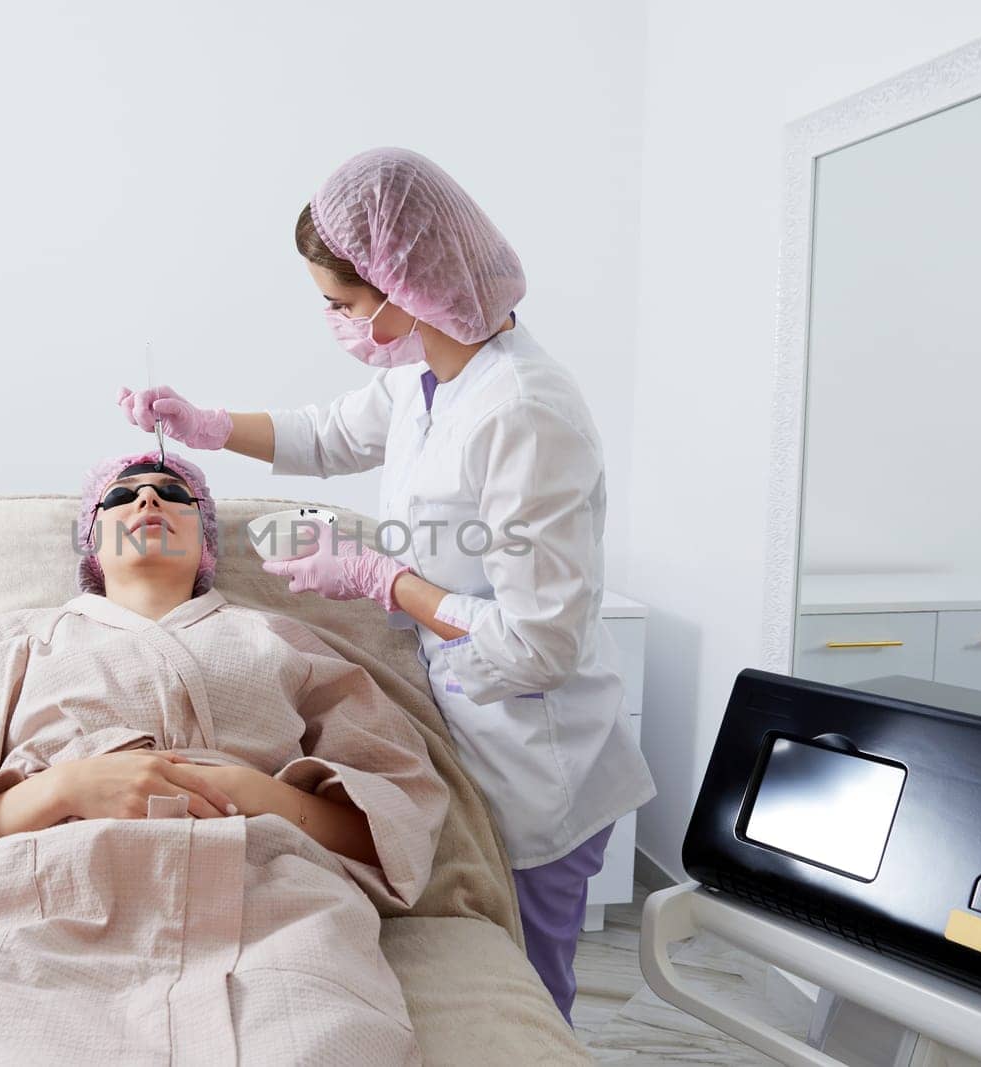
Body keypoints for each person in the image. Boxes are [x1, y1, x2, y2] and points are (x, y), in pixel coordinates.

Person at [116, 147, 655, 1023]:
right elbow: (330, 433)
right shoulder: (427, 371)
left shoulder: (524, 410)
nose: (333, 320)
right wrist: (207, 425)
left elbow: (540, 646)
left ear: (401, 287)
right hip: (463, 728)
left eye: (340, 303)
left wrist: (383, 578)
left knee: (527, 997)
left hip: (537, 755)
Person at [0, 450, 448, 1064]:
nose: (148, 500)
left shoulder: (283, 642)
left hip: (269, 905)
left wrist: (260, 793)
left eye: (173, 494)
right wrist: (63, 790)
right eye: (121, 496)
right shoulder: (3, 646)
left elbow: (397, 821)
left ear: (205, 540)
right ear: (92, 542)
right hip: (41, 906)